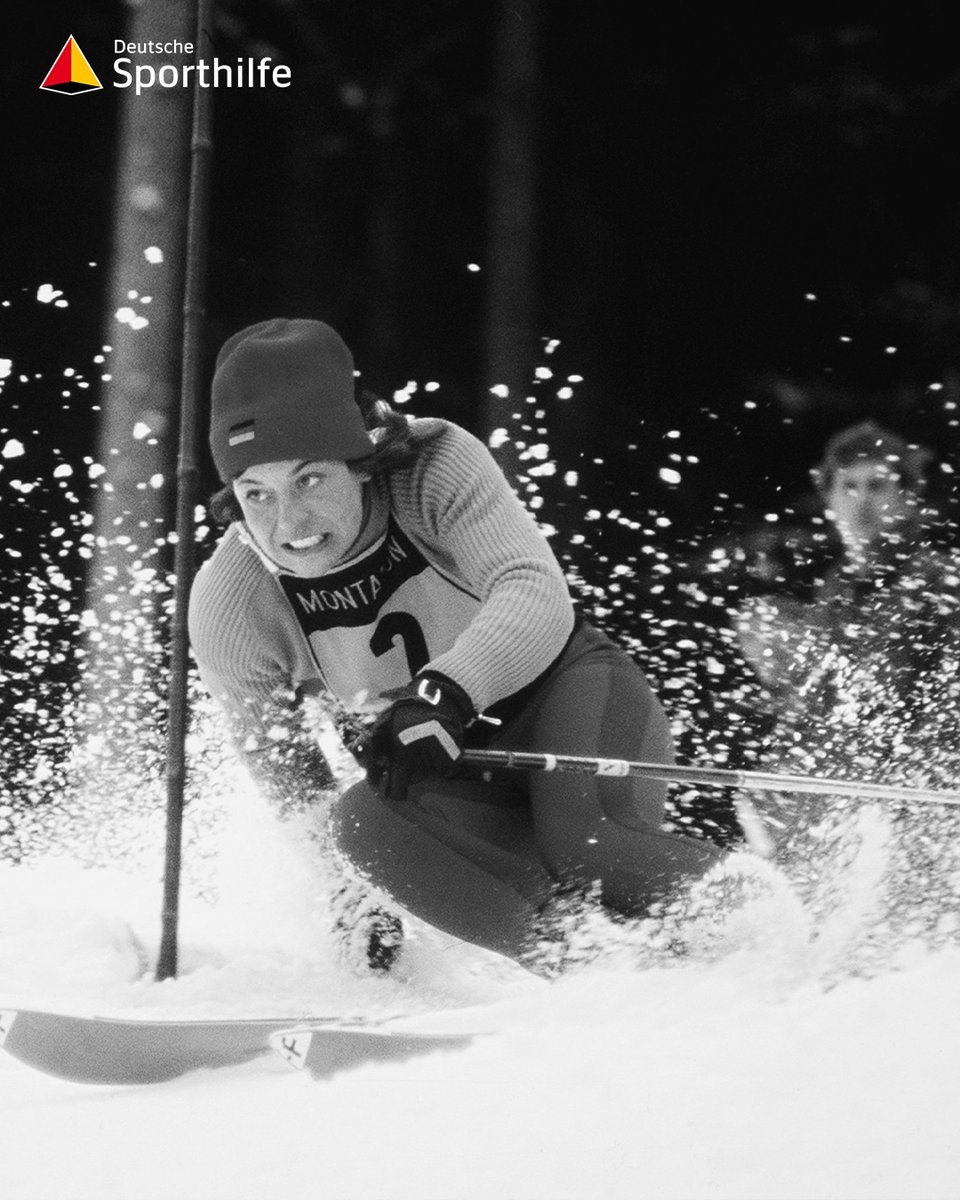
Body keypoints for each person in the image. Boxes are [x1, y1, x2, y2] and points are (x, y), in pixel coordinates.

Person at [189, 317, 725, 976]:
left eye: (310, 480)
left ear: (359, 464)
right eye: (256, 494)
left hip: (566, 697)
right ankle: (593, 970)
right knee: (358, 828)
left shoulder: (431, 465)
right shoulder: (232, 600)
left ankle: (771, 925)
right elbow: (286, 770)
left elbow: (533, 589)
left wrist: (445, 693)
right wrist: (348, 891)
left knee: (589, 847)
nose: (288, 523)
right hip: (445, 771)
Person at [735, 420, 960, 865]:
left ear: (907, 497)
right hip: (844, 798)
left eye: (877, 486)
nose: (862, 502)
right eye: (849, 486)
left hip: (916, 802)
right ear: (830, 498)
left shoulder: (939, 581)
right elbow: (817, 705)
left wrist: (911, 779)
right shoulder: (838, 589)